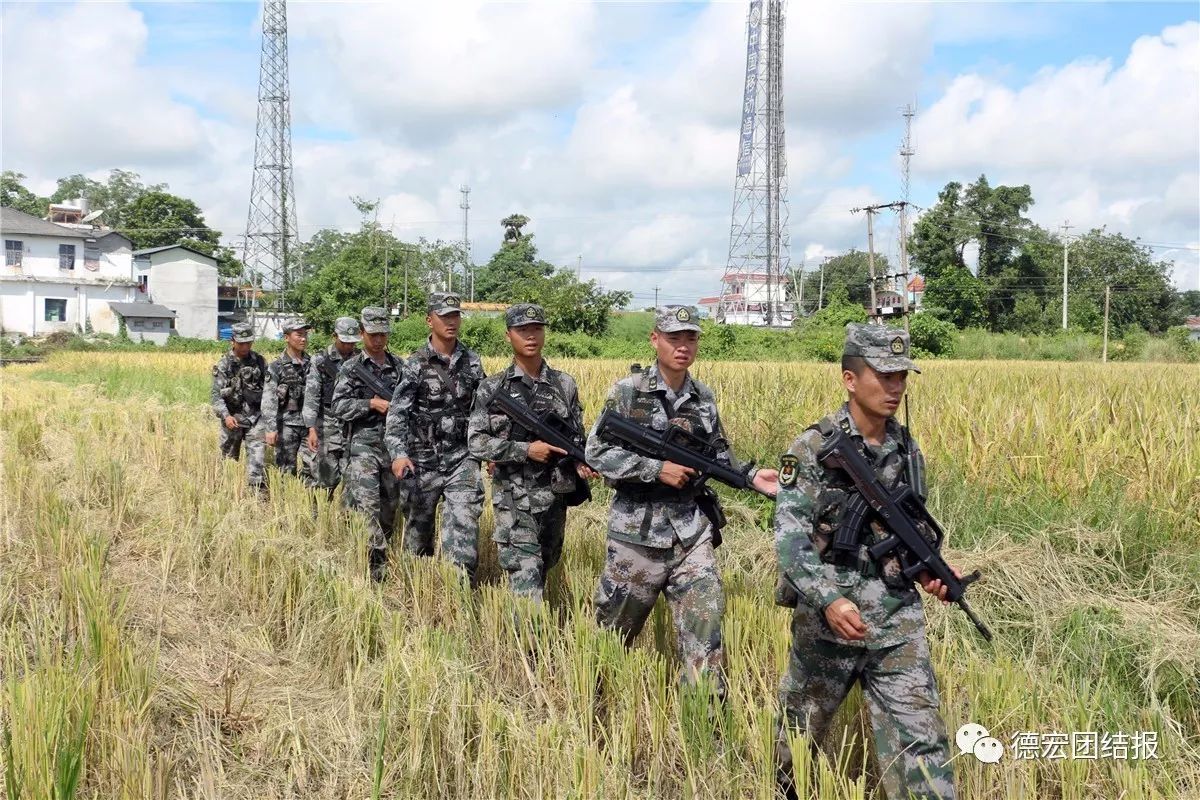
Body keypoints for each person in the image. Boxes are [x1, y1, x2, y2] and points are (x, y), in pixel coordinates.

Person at [774, 323, 959, 800]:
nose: (895, 387)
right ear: (850, 379)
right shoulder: (811, 449)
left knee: (924, 746)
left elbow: (908, 531)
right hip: (828, 626)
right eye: (884, 375)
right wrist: (830, 599)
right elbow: (790, 542)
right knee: (795, 748)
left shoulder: (908, 449)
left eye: (902, 376)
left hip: (898, 623)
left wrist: (933, 569)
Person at [585, 305, 777, 696]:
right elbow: (596, 452)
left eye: (690, 338)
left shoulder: (703, 397)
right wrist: (656, 470)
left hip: (691, 534)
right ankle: (592, 712)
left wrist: (751, 477)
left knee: (705, 637)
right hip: (635, 537)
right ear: (655, 339)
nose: (683, 346)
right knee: (610, 637)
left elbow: (717, 455)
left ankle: (705, 729)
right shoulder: (626, 392)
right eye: (674, 338)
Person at [467, 303, 595, 601]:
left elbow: (576, 435)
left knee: (545, 565)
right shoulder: (491, 387)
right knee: (526, 579)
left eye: (537, 328)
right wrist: (525, 450)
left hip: (555, 496)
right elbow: (476, 442)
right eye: (522, 330)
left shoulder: (564, 384)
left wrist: (579, 462)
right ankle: (529, 646)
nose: (531, 336)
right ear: (508, 335)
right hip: (513, 499)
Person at [385, 292, 487, 585]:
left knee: (464, 529)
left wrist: (489, 452)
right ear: (429, 320)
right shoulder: (415, 364)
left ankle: (459, 594)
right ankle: (416, 596)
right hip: (422, 461)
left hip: (462, 460)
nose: (451, 322)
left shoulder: (472, 362)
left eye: (455, 316)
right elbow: (397, 414)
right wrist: (398, 454)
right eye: (444, 316)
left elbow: (484, 410)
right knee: (418, 537)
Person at [331, 307, 405, 582]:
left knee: (389, 506)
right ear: (362, 333)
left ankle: (382, 547)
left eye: (383, 333)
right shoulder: (351, 369)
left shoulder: (401, 367)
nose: (378, 339)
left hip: (393, 446)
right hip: (362, 445)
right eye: (373, 334)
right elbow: (338, 406)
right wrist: (370, 404)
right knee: (368, 505)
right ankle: (376, 567)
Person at [303, 316, 362, 497]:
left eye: (352, 342)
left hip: (353, 423)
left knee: (352, 476)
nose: (349, 346)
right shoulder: (320, 360)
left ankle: (347, 518)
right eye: (345, 342)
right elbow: (312, 396)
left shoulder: (360, 359)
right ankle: (319, 514)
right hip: (327, 422)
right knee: (326, 477)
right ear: (334, 336)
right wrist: (311, 428)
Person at [211, 321, 268, 495]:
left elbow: (268, 390)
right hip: (232, 418)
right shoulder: (224, 365)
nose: (245, 347)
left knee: (257, 461)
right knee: (228, 461)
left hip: (255, 418)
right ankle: (226, 494)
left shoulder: (259, 361)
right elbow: (216, 397)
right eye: (241, 343)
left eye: (249, 343)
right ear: (233, 341)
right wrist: (226, 416)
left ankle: (257, 496)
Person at [261, 319, 315, 484]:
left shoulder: (313, 364)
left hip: (309, 425)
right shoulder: (276, 366)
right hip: (286, 425)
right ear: (286, 337)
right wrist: (270, 428)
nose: (303, 339)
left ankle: (309, 503)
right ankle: (285, 504)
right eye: (299, 335)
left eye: (305, 334)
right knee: (286, 470)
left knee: (313, 468)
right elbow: (269, 399)